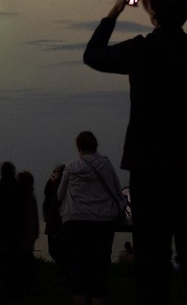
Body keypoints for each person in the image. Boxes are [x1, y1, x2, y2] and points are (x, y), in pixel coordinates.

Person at [83, 0, 187, 305]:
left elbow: (92, 55)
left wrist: (117, 9)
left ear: (152, 14)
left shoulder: (139, 50)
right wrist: (157, 12)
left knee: (152, 260)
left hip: (149, 168)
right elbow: (172, 32)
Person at [57, 130, 124, 305]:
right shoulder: (106, 165)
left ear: (78, 147)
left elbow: (59, 195)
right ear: (95, 146)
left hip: (76, 220)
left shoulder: (71, 168)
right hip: (103, 221)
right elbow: (117, 190)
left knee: (78, 264)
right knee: (99, 265)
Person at [0, 161, 24, 294]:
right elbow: (23, 207)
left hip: (1, 226)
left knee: (2, 256)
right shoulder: (19, 187)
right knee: (15, 256)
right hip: (16, 225)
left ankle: (3, 284)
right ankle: (15, 285)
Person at [42, 165, 67, 278]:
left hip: (58, 222)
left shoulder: (62, 187)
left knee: (57, 250)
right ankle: (62, 273)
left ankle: (63, 274)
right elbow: (47, 193)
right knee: (55, 250)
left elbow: (55, 196)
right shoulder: (54, 185)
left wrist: (53, 182)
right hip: (54, 221)